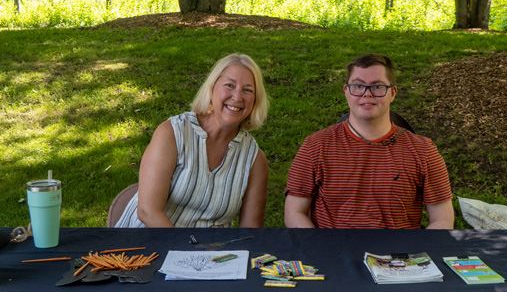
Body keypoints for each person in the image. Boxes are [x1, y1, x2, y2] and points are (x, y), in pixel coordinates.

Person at [284, 53, 454, 229]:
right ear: (346, 91)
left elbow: (442, 220)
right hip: (332, 246)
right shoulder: (315, 146)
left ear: (392, 93)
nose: (367, 94)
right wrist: (320, 246)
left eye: (377, 86)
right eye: (358, 86)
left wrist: (414, 248)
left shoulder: (423, 151)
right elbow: (294, 213)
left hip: (399, 247)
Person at [115, 53, 269, 228]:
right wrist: (187, 245)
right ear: (212, 88)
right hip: (146, 239)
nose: (237, 97)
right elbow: (147, 211)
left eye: (248, 90)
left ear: (255, 100)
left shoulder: (254, 160)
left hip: (211, 246)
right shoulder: (173, 133)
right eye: (229, 85)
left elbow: (250, 231)